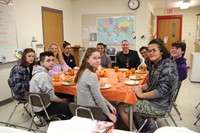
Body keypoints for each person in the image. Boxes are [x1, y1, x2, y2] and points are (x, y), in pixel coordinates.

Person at [118, 39, 178, 131]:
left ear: (161, 51)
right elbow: (150, 84)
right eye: (149, 51)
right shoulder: (156, 65)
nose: (150, 53)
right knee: (132, 99)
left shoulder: (168, 66)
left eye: (154, 50)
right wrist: (138, 87)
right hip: (157, 101)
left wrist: (141, 94)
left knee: (121, 106)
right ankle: (144, 126)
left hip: (158, 106)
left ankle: (134, 130)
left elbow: (161, 91)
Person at [74, 47, 117, 123]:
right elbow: (98, 98)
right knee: (116, 110)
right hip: (91, 112)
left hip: (81, 110)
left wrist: (108, 104)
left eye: (99, 58)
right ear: (87, 60)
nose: (98, 61)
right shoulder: (92, 75)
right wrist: (109, 114)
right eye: (94, 58)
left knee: (111, 106)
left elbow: (97, 95)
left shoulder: (82, 71)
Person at [29, 51, 73, 119]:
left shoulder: (36, 72)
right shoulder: (44, 75)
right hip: (43, 108)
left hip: (36, 106)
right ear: (42, 63)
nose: (51, 63)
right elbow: (51, 97)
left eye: (52, 60)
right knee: (70, 106)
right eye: (48, 61)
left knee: (60, 96)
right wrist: (62, 101)